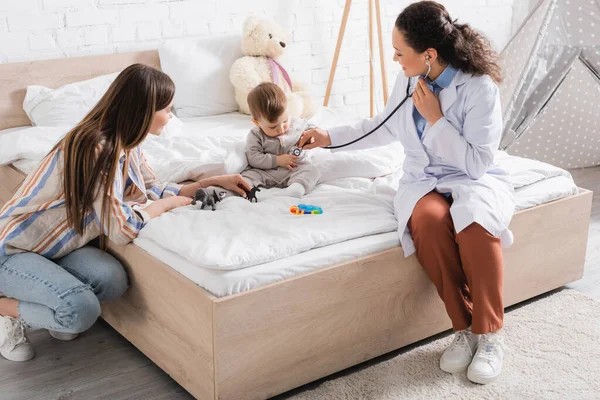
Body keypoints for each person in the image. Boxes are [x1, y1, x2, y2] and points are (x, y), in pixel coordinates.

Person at [299, 1, 514, 385]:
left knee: (476, 226)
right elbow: (382, 126)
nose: (395, 59)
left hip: (470, 178)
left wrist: (436, 119)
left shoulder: (479, 88)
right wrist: (328, 137)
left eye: (400, 52)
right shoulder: (408, 81)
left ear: (428, 55)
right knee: (428, 225)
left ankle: (491, 333)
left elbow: (477, 164)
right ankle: (463, 329)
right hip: (424, 180)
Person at [0, 63, 251, 362]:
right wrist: (166, 206)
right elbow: (122, 229)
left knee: (112, 280)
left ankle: (51, 301)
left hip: (57, 247)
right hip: (14, 249)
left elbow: (150, 188)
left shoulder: (127, 144)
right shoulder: (96, 148)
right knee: (79, 311)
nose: (171, 116)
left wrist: (207, 182)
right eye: (167, 109)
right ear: (143, 110)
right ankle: (6, 309)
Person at [241, 82, 320, 199]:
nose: (281, 129)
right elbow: (253, 157)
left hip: (294, 170)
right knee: (245, 176)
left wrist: (311, 136)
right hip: (266, 172)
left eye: (284, 121)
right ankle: (251, 192)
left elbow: (312, 129)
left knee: (312, 171)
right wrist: (277, 160)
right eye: (273, 127)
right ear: (256, 122)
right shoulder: (255, 135)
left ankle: (296, 188)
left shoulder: (298, 124)